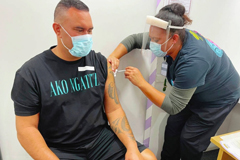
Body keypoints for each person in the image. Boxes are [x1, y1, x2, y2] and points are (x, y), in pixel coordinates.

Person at [11, 0, 157, 160]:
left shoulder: (100, 63)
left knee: (148, 158)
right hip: (61, 148)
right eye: (79, 30)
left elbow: (113, 110)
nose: (86, 37)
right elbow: (26, 129)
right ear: (57, 29)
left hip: (101, 141)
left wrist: (131, 148)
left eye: (89, 31)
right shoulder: (30, 74)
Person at [108, 3, 240, 160]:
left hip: (219, 97)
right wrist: (114, 56)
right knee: (172, 130)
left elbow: (173, 106)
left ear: (174, 39)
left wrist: (141, 82)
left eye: (156, 40)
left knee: (190, 140)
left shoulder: (193, 61)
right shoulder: (171, 37)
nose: (152, 43)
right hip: (196, 89)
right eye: (152, 38)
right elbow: (134, 40)